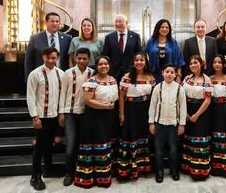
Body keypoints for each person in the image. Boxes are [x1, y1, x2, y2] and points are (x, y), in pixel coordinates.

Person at [74, 56, 119, 188]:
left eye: (106, 64)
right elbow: (88, 100)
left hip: (110, 118)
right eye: (100, 64)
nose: (103, 66)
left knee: (107, 144)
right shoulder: (91, 81)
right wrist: (104, 106)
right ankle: (91, 178)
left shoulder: (113, 80)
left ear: (109, 65)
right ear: (96, 66)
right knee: (97, 144)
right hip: (94, 118)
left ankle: (105, 176)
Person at [26, 47, 64, 191]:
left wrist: (61, 114)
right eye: (48, 57)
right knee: (39, 146)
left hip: (55, 115)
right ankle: (35, 176)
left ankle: (48, 169)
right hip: (41, 116)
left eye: (53, 58)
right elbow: (30, 96)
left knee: (49, 145)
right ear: (43, 57)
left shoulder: (60, 73)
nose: (50, 60)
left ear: (57, 58)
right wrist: (34, 116)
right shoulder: (35, 74)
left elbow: (61, 96)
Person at [58, 48, 93, 186]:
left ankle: (82, 172)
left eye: (85, 58)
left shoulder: (92, 73)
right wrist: (61, 112)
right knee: (70, 146)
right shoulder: (68, 73)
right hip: (70, 113)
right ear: (75, 58)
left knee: (84, 145)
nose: (82, 61)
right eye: (79, 58)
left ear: (89, 59)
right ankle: (69, 173)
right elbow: (63, 93)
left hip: (86, 114)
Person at [118, 52, 155, 180]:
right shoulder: (127, 77)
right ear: (133, 63)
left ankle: (143, 166)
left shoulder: (150, 77)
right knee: (132, 137)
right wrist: (121, 113)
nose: (139, 62)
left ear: (145, 62)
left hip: (145, 110)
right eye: (136, 60)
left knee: (144, 137)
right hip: (131, 110)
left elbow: (153, 97)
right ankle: (129, 168)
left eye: (141, 60)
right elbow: (121, 97)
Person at [148, 64, 187, 183]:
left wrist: (181, 124)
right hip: (159, 123)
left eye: (172, 72)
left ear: (176, 74)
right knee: (158, 149)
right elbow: (153, 106)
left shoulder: (180, 88)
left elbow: (183, 107)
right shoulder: (157, 88)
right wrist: (151, 122)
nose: (169, 74)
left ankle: (174, 170)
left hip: (173, 124)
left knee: (173, 149)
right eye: (167, 72)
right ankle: (159, 171)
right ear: (162, 73)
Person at [181, 55, 213, 180]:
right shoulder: (187, 78)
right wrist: (185, 112)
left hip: (201, 112)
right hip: (188, 109)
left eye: (196, 62)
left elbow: (208, 99)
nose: (193, 65)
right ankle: (188, 167)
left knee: (199, 138)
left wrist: (196, 115)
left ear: (201, 64)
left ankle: (200, 170)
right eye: (191, 63)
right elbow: (182, 95)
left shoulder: (207, 80)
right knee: (189, 138)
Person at [25, 12, 72, 80]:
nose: (55, 24)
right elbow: (29, 61)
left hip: (61, 77)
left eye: (57, 21)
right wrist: (28, 78)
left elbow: (70, 59)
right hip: (41, 78)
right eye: (52, 21)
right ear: (46, 22)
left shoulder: (67, 38)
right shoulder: (35, 38)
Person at [102, 14, 141, 82]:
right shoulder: (109, 37)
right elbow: (105, 55)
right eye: (116, 22)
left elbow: (139, 54)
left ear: (126, 23)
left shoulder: (135, 36)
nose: (117, 24)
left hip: (130, 72)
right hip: (113, 72)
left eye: (120, 21)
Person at [144, 19, 185, 83]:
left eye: (167, 27)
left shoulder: (173, 42)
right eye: (162, 27)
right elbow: (144, 58)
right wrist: (146, 74)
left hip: (170, 76)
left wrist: (178, 76)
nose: (164, 29)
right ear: (158, 28)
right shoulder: (151, 41)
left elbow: (179, 62)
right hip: (153, 76)